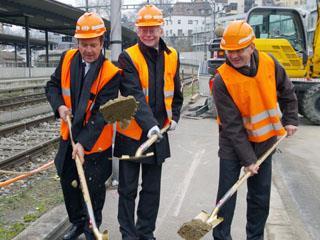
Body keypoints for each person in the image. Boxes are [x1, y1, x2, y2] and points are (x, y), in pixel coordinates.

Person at [212, 20, 298, 240]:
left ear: (251, 46)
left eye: (239, 50)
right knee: (227, 195)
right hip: (233, 144)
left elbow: (287, 92)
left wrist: (290, 120)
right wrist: (248, 160)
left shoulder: (270, 63)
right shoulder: (222, 80)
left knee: (260, 197)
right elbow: (232, 127)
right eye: (230, 51)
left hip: (264, 140)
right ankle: (221, 236)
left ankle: (255, 237)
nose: (234, 55)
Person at [45, 12, 121, 240]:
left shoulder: (110, 73)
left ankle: (91, 229)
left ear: (102, 43)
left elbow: (102, 115)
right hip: (69, 137)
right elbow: (52, 86)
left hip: (95, 143)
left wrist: (83, 143)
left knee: (93, 190)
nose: (88, 50)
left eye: (93, 45)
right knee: (70, 184)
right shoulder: (67, 59)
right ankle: (77, 223)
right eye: (84, 44)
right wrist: (59, 106)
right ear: (77, 42)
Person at [114, 4, 183, 240]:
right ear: (137, 29)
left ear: (161, 28)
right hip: (132, 133)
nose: (149, 33)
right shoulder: (127, 57)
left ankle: (146, 233)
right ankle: (128, 234)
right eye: (144, 29)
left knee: (152, 190)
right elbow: (134, 95)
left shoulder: (172, 56)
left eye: (153, 28)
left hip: (159, 133)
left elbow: (177, 91)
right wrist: (150, 124)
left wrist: (174, 116)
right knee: (127, 189)